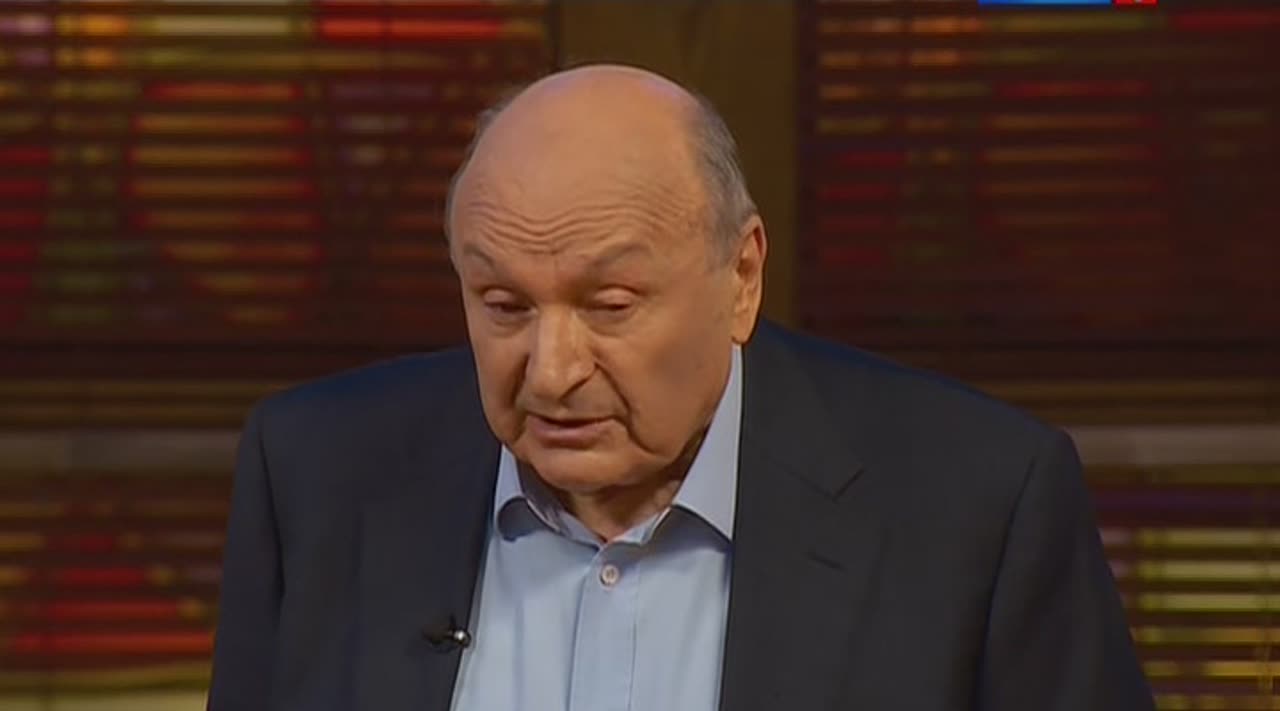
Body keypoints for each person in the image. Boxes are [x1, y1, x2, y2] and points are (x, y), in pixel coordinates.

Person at [207, 64, 1154, 711]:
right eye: (504, 304)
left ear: (741, 277)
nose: (552, 369)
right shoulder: (317, 475)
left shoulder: (977, 507)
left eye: (610, 305)